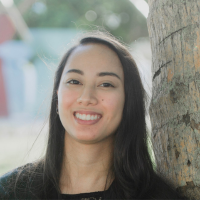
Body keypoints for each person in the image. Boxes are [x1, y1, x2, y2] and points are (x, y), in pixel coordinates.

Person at [0, 30, 186, 199]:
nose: (86, 97)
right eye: (74, 81)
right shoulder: (11, 191)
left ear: (128, 101)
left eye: (106, 84)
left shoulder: (158, 196)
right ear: (58, 96)